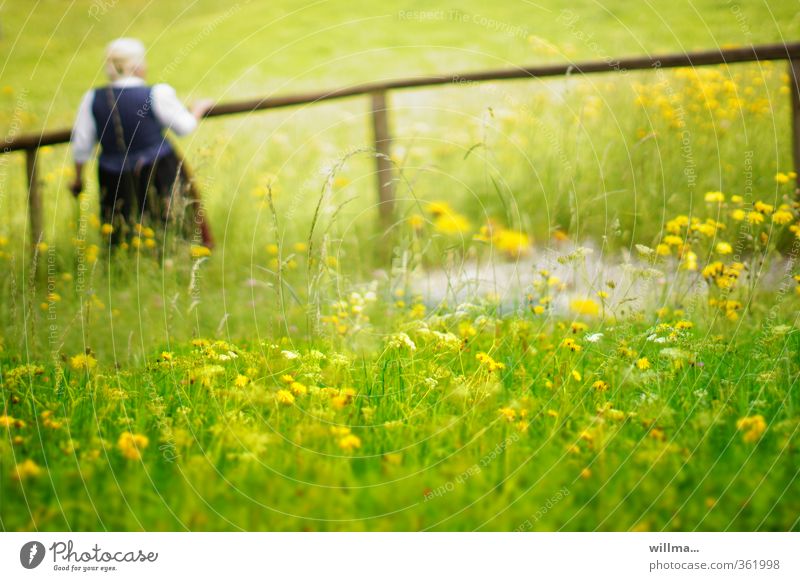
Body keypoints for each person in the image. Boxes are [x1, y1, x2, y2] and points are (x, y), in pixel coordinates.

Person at [70, 38, 213, 244]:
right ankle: (184, 258)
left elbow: (82, 145)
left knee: (123, 231)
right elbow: (184, 127)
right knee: (172, 224)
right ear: (137, 66)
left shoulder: (92, 98)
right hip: (160, 170)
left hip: (113, 177)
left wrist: (77, 179)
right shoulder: (155, 93)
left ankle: (125, 264)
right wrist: (198, 109)